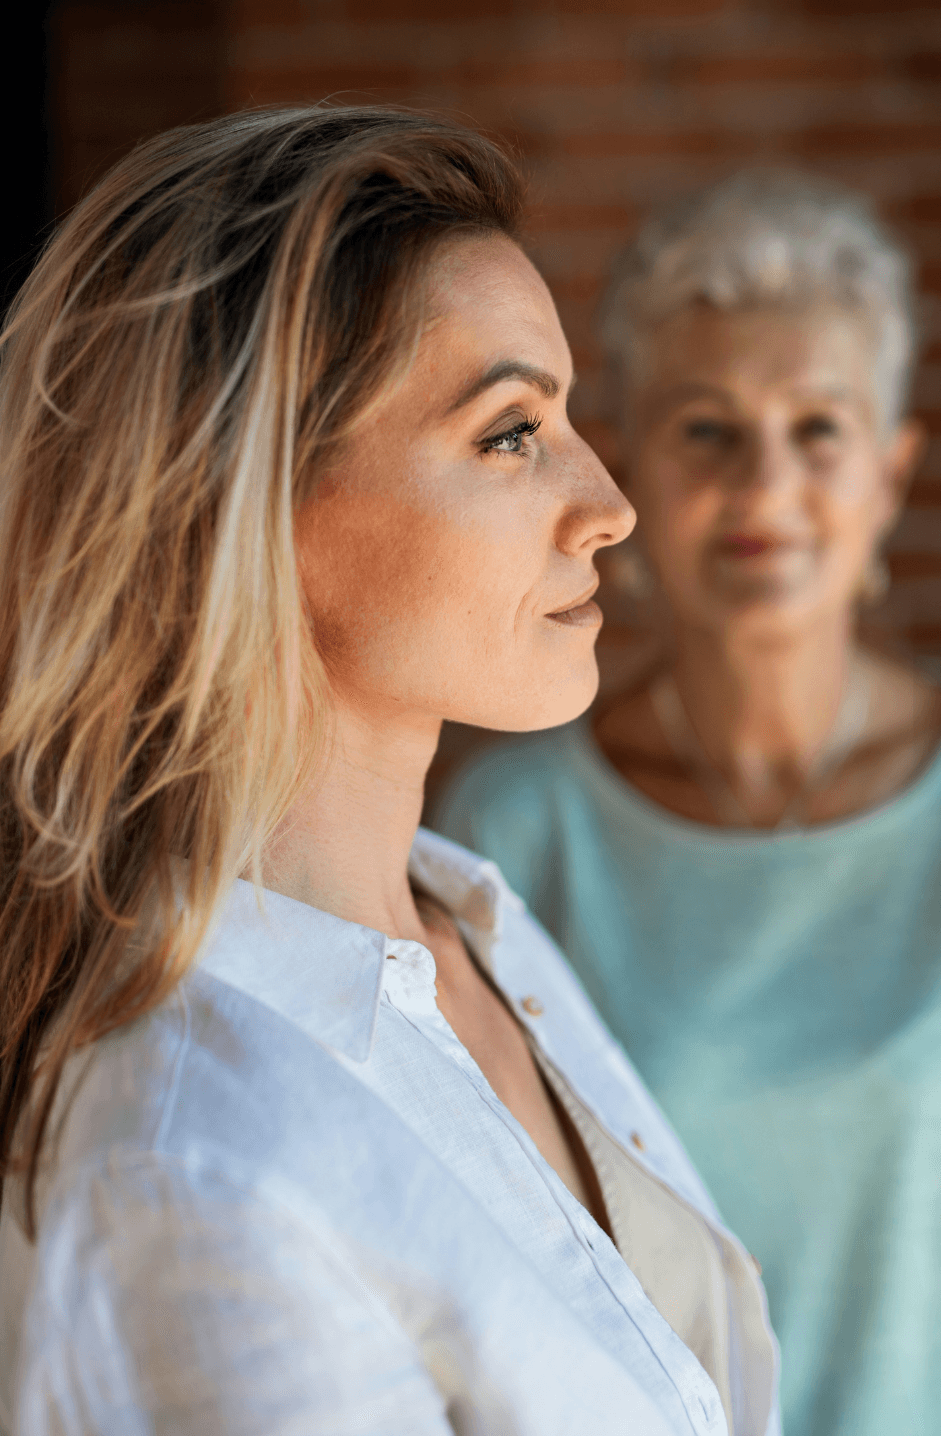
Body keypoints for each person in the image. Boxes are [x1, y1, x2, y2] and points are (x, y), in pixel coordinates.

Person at [0, 107, 780, 1436]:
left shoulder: (465, 921)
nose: (610, 501)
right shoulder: (196, 1165)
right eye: (509, 431)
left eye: (566, 413)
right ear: (245, 507)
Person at [436, 172, 941, 1436]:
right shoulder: (506, 833)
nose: (764, 483)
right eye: (707, 429)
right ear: (625, 462)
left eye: (818, 429)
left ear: (892, 476)